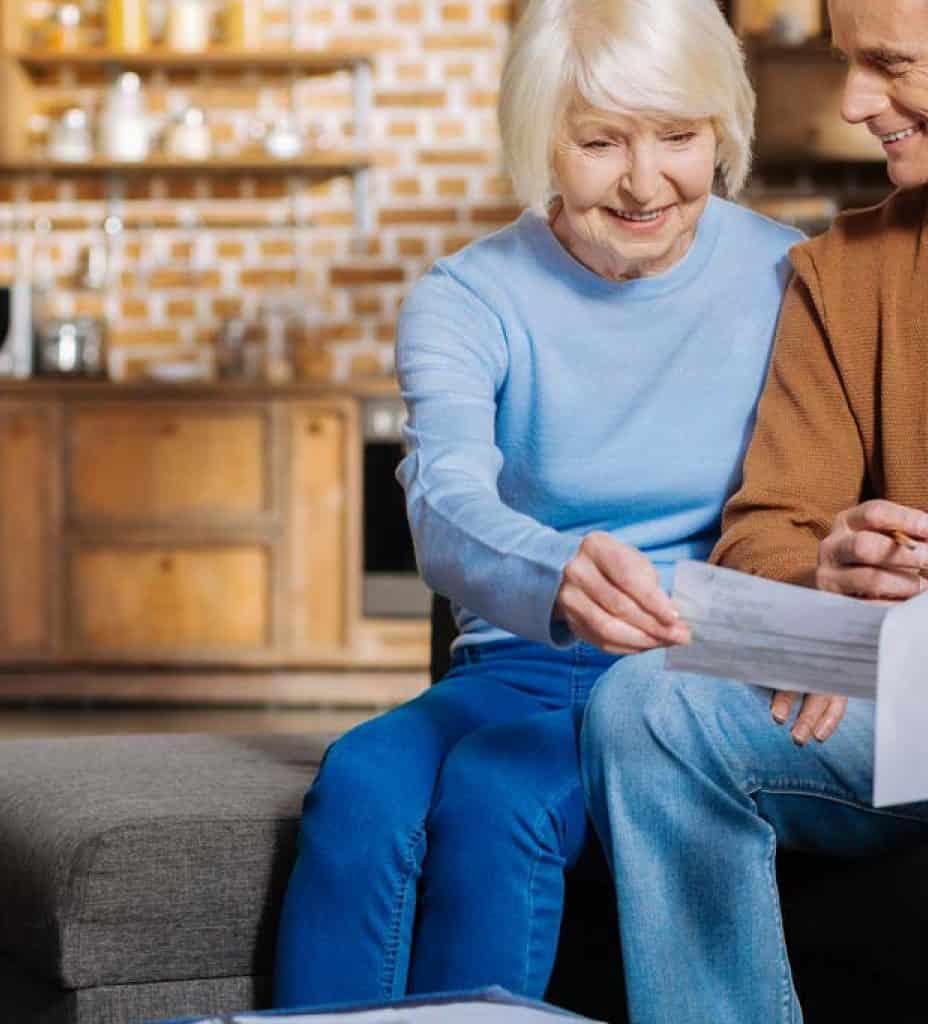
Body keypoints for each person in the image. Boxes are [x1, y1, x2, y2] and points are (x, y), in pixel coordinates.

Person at [272, 0, 802, 1009]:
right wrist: (552, 573)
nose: (645, 183)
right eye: (600, 141)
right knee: (361, 787)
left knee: (502, 793)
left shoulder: (791, 275)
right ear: (540, 141)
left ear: (722, 133)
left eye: (679, 138)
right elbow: (446, 496)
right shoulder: (466, 296)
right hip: (519, 657)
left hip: (688, 675)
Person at [581, 0, 928, 1021]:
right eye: (844, 62)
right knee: (643, 705)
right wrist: (818, 580)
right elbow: (763, 531)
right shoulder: (845, 269)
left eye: (888, 63)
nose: (856, 101)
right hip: (912, 704)